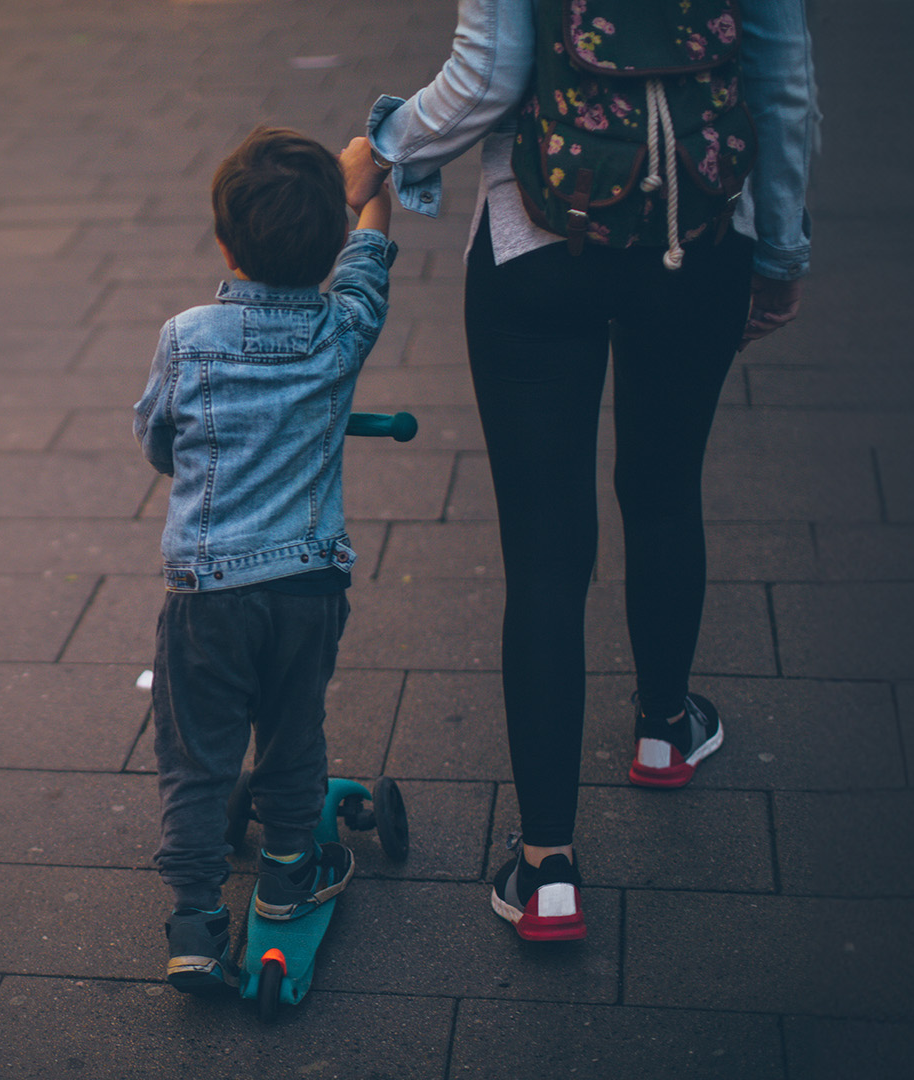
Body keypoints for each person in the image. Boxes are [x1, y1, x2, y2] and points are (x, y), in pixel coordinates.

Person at [356, 0, 816, 942]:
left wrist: (386, 144)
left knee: (545, 555)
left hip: (539, 241)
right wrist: (781, 246)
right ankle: (663, 730)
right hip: (697, 237)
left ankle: (547, 868)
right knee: (662, 486)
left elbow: (485, 83)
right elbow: (782, 87)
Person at [136, 126, 399, 995]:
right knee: (293, 732)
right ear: (326, 245)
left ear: (223, 242)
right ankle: (289, 876)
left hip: (208, 592)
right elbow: (371, 259)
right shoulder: (342, 329)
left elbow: (159, 441)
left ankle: (193, 922)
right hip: (307, 588)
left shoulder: (186, 335)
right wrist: (372, 183)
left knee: (197, 753)